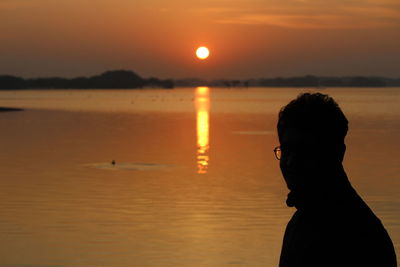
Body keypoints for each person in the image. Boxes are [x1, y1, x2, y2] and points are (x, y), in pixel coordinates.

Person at [275, 93, 397, 267]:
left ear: (337, 152)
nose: (291, 161)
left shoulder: (358, 234)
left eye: (305, 150)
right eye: (286, 150)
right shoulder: (301, 221)